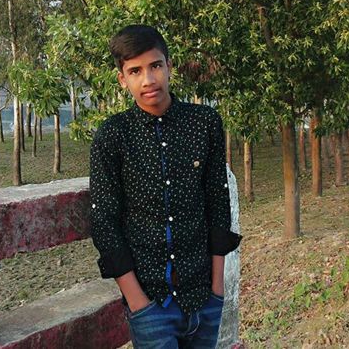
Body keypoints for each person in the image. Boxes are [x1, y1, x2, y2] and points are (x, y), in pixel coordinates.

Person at [90, 24, 242, 348]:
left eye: (155, 66)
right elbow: (104, 221)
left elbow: (218, 204)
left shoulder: (204, 123)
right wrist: (138, 303)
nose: (148, 79)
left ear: (169, 66)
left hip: (204, 297)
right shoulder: (113, 136)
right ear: (122, 79)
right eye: (135, 71)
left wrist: (217, 290)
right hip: (151, 306)